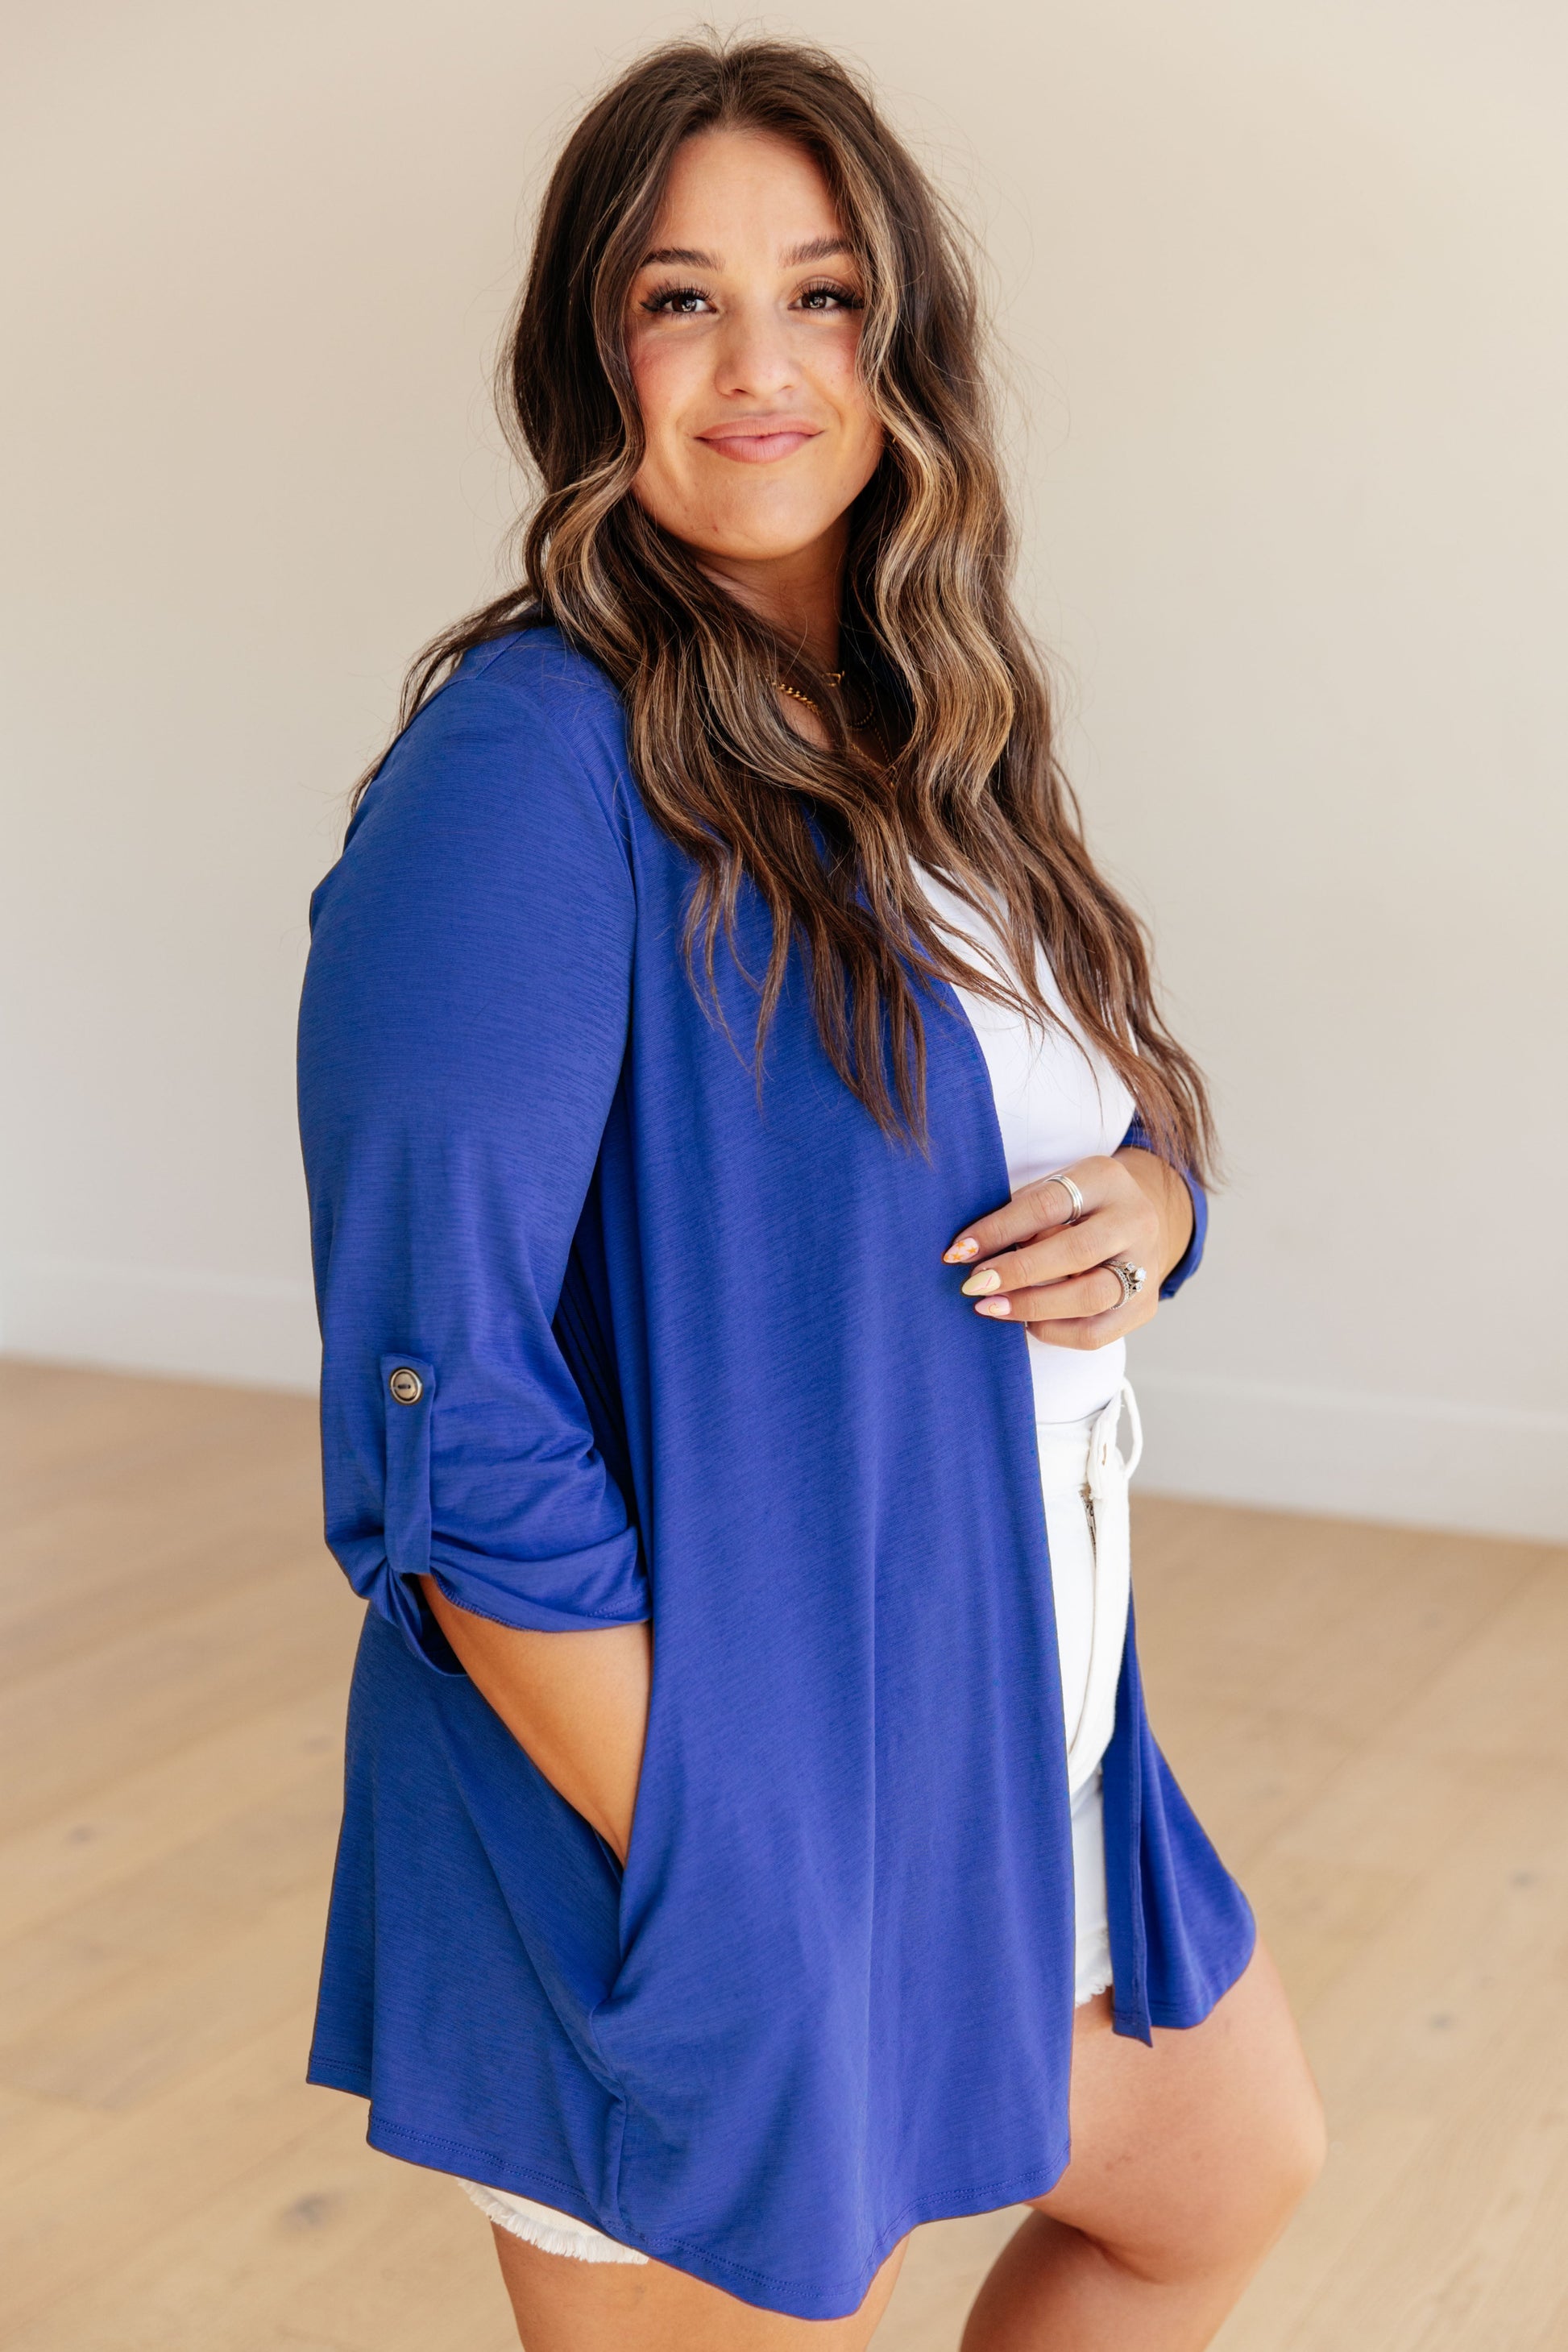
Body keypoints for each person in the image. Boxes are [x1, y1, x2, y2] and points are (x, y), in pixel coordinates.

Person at [296, 35, 1325, 2350]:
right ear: (590, 358)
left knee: (1212, 2176)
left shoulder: (929, 726)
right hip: (727, 1795)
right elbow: (442, 1400)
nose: (762, 365)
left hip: (1003, 1722)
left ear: (901, 341)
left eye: (825, 294)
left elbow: (1067, 1097)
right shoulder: (524, 770)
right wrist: (722, 1848)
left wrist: (1152, 1205)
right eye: (682, 300)